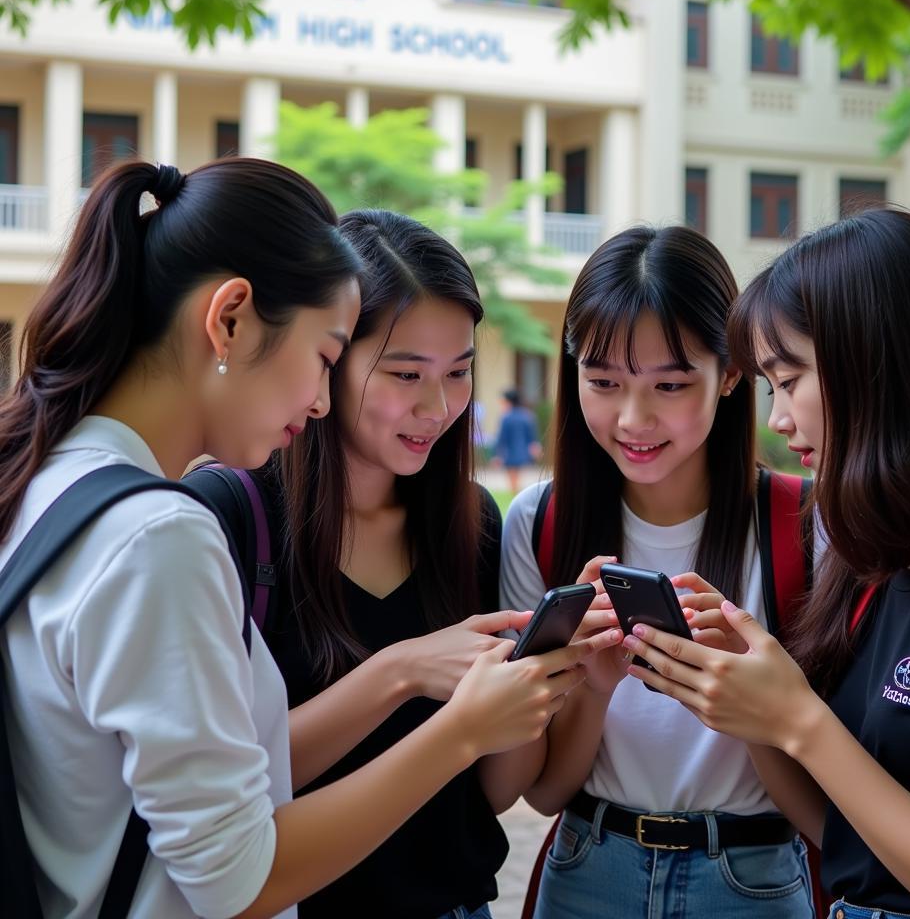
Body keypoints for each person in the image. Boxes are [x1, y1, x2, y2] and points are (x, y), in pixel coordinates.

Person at [0, 161, 610, 919]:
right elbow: (235, 877)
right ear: (228, 320)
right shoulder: (163, 532)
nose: (319, 399)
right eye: (326, 356)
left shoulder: (53, 479)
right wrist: (449, 720)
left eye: (459, 373)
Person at [186, 208, 618, 919]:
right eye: (406, 373)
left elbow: (495, 791)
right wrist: (402, 670)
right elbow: (234, 778)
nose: (438, 406)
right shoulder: (230, 515)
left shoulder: (469, 520)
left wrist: (555, 681)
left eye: (460, 371)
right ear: (330, 358)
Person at [621, 209, 910, 918]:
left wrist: (799, 718)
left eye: (789, 378)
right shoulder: (879, 561)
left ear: (881, 362)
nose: (776, 419)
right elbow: (844, 834)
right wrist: (752, 707)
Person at [501, 224, 815, 918]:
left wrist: (745, 706)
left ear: (732, 374)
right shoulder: (538, 523)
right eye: (603, 382)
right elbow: (543, 795)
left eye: (670, 385)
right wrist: (591, 684)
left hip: (754, 879)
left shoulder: (804, 525)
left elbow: (820, 815)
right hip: (589, 869)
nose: (633, 418)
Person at [491, 389, 541, 495]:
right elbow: (532, 436)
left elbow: (501, 438)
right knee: (517, 477)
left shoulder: (506, 417)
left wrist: (496, 455)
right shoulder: (527, 415)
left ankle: (514, 495)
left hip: (509, 452)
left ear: (509, 401)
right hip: (523, 452)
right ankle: (516, 494)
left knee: (512, 478)